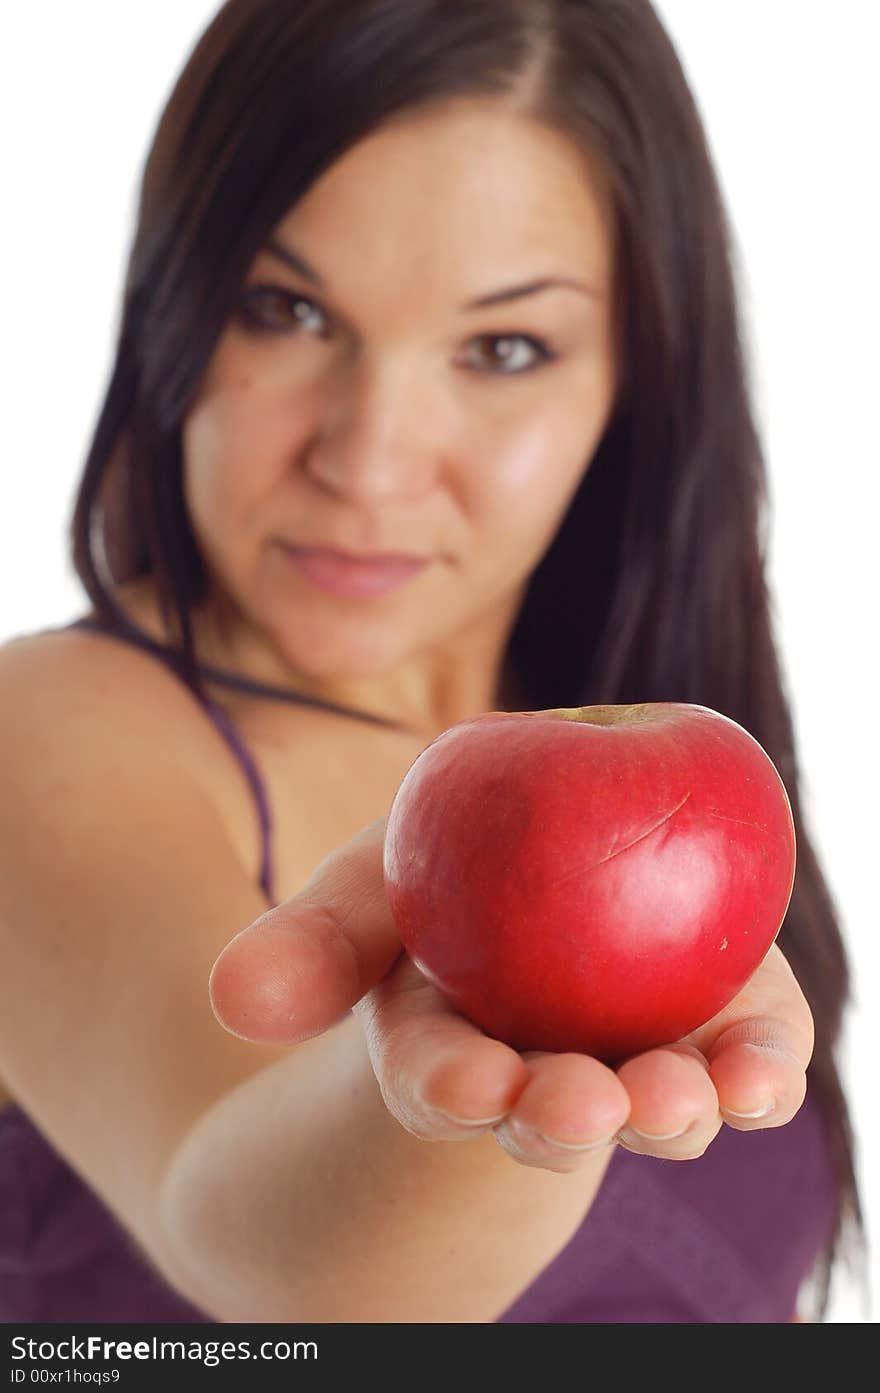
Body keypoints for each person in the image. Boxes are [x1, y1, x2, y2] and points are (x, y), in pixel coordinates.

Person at [0, 0, 865, 1324]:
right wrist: (452, 1084)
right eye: (282, 308)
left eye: (503, 347)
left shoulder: (670, 772)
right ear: (172, 304)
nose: (369, 458)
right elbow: (243, 1237)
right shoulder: (53, 730)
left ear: (635, 380)